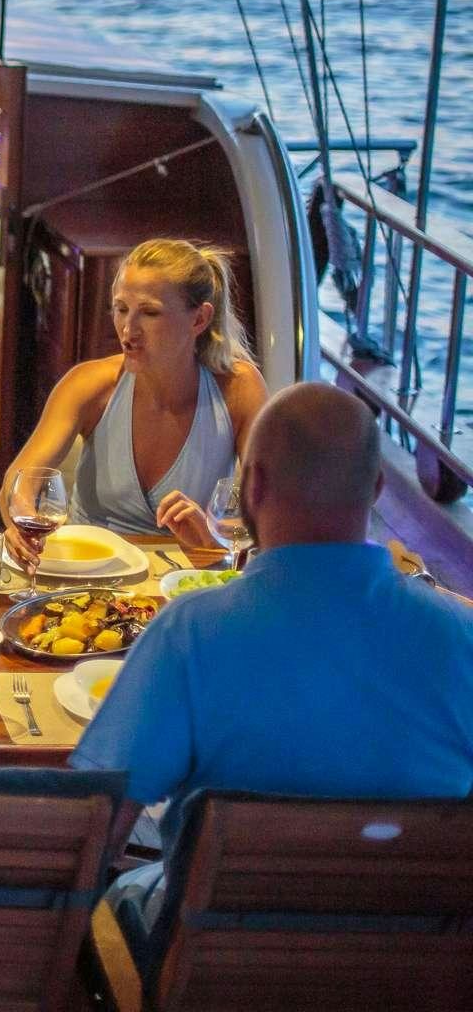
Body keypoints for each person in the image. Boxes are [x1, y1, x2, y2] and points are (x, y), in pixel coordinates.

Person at [71, 382, 473, 940]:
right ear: (378, 488)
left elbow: (98, 823)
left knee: (121, 897)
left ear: (253, 484)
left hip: (220, 977)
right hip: (409, 977)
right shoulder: (460, 637)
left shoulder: (191, 633)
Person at [1, 239, 266, 570]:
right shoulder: (88, 384)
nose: (128, 330)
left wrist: (211, 542)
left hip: (186, 587)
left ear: (199, 319)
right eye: (121, 308)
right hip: (89, 582)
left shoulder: (239, 387)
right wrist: (23, 516)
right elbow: (20, 480)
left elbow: (269, 518)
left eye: (150, 313)